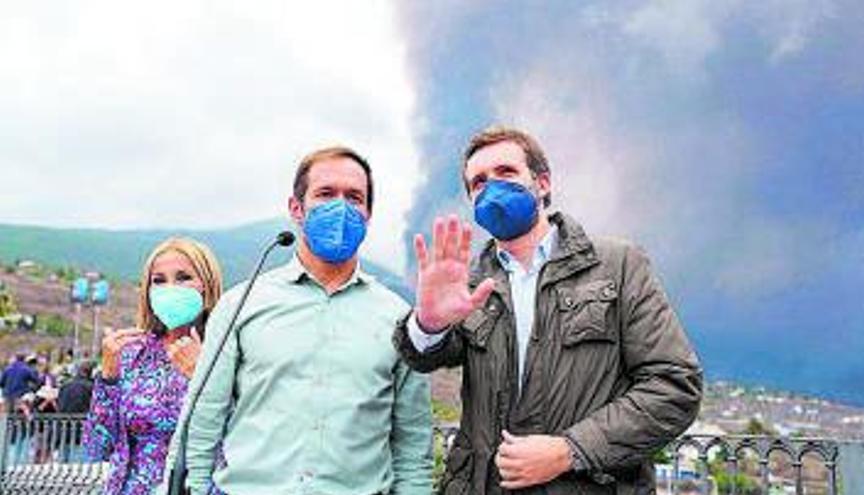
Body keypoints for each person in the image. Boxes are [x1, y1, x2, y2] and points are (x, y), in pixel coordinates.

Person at [394, 126, 703, 494]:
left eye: (506, 173)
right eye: (478, 182)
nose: (492, 187)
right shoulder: (471, 285)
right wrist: (429, 322)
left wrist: (570, 450)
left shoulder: (618, 266)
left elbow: (674, 385)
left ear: (542, 183)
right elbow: (423, 356)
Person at [180, 146, 432, 494]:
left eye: (354, 197)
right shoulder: (242, 304)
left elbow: (412, 444)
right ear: (296, 209)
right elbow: (205, 415)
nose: (341, 207)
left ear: (368, 214)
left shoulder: (399, 318)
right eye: (326, 194)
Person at [83, 238, 223, 494]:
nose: (171, 288)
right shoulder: (133, 353)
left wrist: (201, 376)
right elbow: (97, 446)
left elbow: (244, 438)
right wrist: (108, 377)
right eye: (158, 280)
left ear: (207, 285)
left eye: (183, 277)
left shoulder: (226, 348)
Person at [58, 361, 95, 462]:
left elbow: (59, 404)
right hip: (82, 425)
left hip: (63, 424)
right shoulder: (91, 386)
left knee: (64, 457)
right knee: (79, 460)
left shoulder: (65, 385)